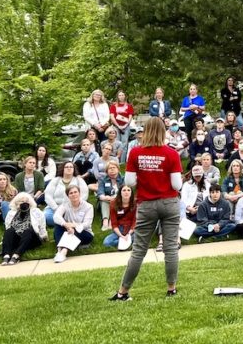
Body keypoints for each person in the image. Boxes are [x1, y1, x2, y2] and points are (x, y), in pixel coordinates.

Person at [111, 117, 183, 301]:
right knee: (171, 248)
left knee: (139, 250)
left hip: (146, 204)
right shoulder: (171, 153)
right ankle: (171, 289)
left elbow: (129, 182)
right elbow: (177, 185)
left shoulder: (135, 153)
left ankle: (123, 292)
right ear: (163, 131)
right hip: (169, 203)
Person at [0, 193, 47, 264]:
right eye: (22, 201)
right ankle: (6, 255)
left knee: (28, 230)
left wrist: (44, 236)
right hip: (17, 238)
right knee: (9, 230)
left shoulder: (36, 212)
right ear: (16, 203)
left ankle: (16, 255)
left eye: (26, 201)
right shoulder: (11, 213)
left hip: (32, 239)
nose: (24, 203)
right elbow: (7, 227)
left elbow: (42, 226)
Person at [51, 184, 94, 263]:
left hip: (84, 233)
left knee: (76, 231)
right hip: (68, 230)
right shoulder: (65, 205)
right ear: (68, 196)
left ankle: (64, 252)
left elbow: (87, 224)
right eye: (71, 193)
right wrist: (66, 224)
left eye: (75, 192)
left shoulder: (88, 206)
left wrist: (74, 226)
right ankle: (59, 250)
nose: (74, 194)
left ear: (79, 193)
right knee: (58, 225)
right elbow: (56, 216)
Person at [109, 90, 135, 157]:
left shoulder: (129, 106)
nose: (121, 97)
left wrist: (126, 125)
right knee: (116, 143)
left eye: (122, 95)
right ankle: (116, 160)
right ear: (117, 96)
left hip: (125, 127)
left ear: (125, 96)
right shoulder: (113, 106)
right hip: (116, 127)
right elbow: (112, 117)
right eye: (119, 95)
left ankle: (122, 163)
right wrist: (118, 125)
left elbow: (130, 116)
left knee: (124, 144)